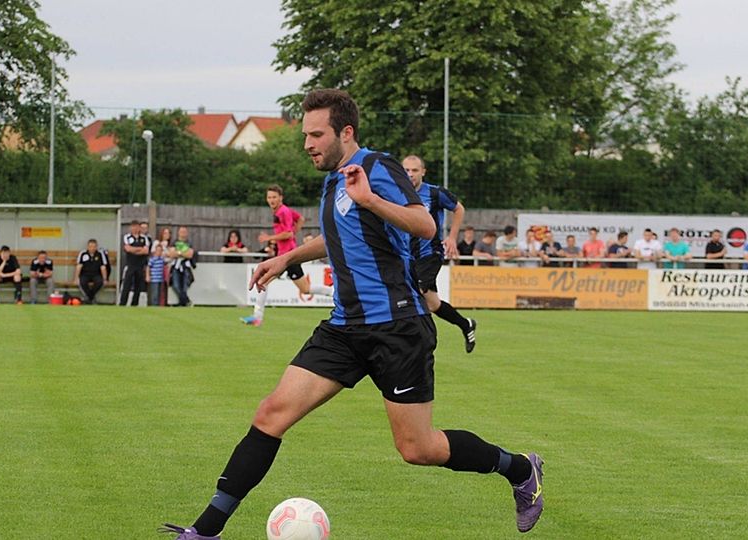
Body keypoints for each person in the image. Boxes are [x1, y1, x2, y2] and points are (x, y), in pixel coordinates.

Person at [161, 89, 543, 540]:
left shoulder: (378, 168)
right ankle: (206, 531)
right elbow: (335, 236)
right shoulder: (332, 181)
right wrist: (286, 259)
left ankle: (519, 469)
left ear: (346, 132)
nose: (307, 143)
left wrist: (372, 200)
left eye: (316, 134)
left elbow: (424, 224)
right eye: (305, 135)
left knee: (418, 448)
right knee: (270, 415)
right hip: (344, 328)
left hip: (397, 326)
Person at [402, 154, 476, 353]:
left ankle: (421, 342)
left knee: (418, 292)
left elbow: (459, 209)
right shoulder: (395, 194)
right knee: (432, 304)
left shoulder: (434, 193)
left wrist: (452, 237)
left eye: (414, 170)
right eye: (406, 170)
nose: (410, 174)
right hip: (407, 257)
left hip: (431, 253)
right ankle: (465, 324)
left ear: (423, 172)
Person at [241, 185, 334, 326]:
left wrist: (269, 238)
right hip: (288, 255)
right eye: (269, 197)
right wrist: (294, 232)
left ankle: (257, 317)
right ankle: (334, 292)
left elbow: (288, 233)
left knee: (262, 282)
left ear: (280, 198)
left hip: (287, 256)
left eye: (274, 197)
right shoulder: (285, 211)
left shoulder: (282, 212)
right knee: (305, 289)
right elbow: (300, 218)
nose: (271, 200)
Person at [119, 220, 150, 306]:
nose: (135, 228)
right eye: (133, 227)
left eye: (136, 226)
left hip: (140, 265)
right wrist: (139, 249)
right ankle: (122, 303)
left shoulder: (144, 238)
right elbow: (127, 249)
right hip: (130, 264)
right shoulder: (127, 237)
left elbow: (146, 251)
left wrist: (134, 250)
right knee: (127, 284)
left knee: (138, 285)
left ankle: (134, 303)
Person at [170, 226, 197, 307]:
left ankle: (182, 303)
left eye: (184, 232)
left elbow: (190, 254)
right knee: (175, 285)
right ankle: (186, 301)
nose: (183, 233)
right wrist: (182, 253)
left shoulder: (189, 243)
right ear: (178, 232)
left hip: (185, 266)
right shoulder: (174, 242)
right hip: (176, 266)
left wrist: (178, 253)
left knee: (185, 285)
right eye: (181, 231)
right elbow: (171, 254)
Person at [75, 239, 108, 304]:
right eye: (90, 246)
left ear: (96, 247)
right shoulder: (83, 253)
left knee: (99, 282)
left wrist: (105, 279)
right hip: (85, 274)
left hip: (96, 274)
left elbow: (103, 267)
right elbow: (78, 266)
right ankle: (91, 298)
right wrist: (76, 278)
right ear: (87, 247)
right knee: (82, 282)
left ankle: (89, 298)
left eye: (94, 246)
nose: (92, 248)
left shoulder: (100, 254)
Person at [148, 243, 166, 307]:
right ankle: (154, 305)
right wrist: (148, 276)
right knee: (154, 293)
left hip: (160, 279)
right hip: (154, 279)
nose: (159, 252)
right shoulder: (152, 259)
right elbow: (148, 267)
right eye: (158, 250)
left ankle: (158, 305)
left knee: (159, 294)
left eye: (160, 250)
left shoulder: (162, 259)